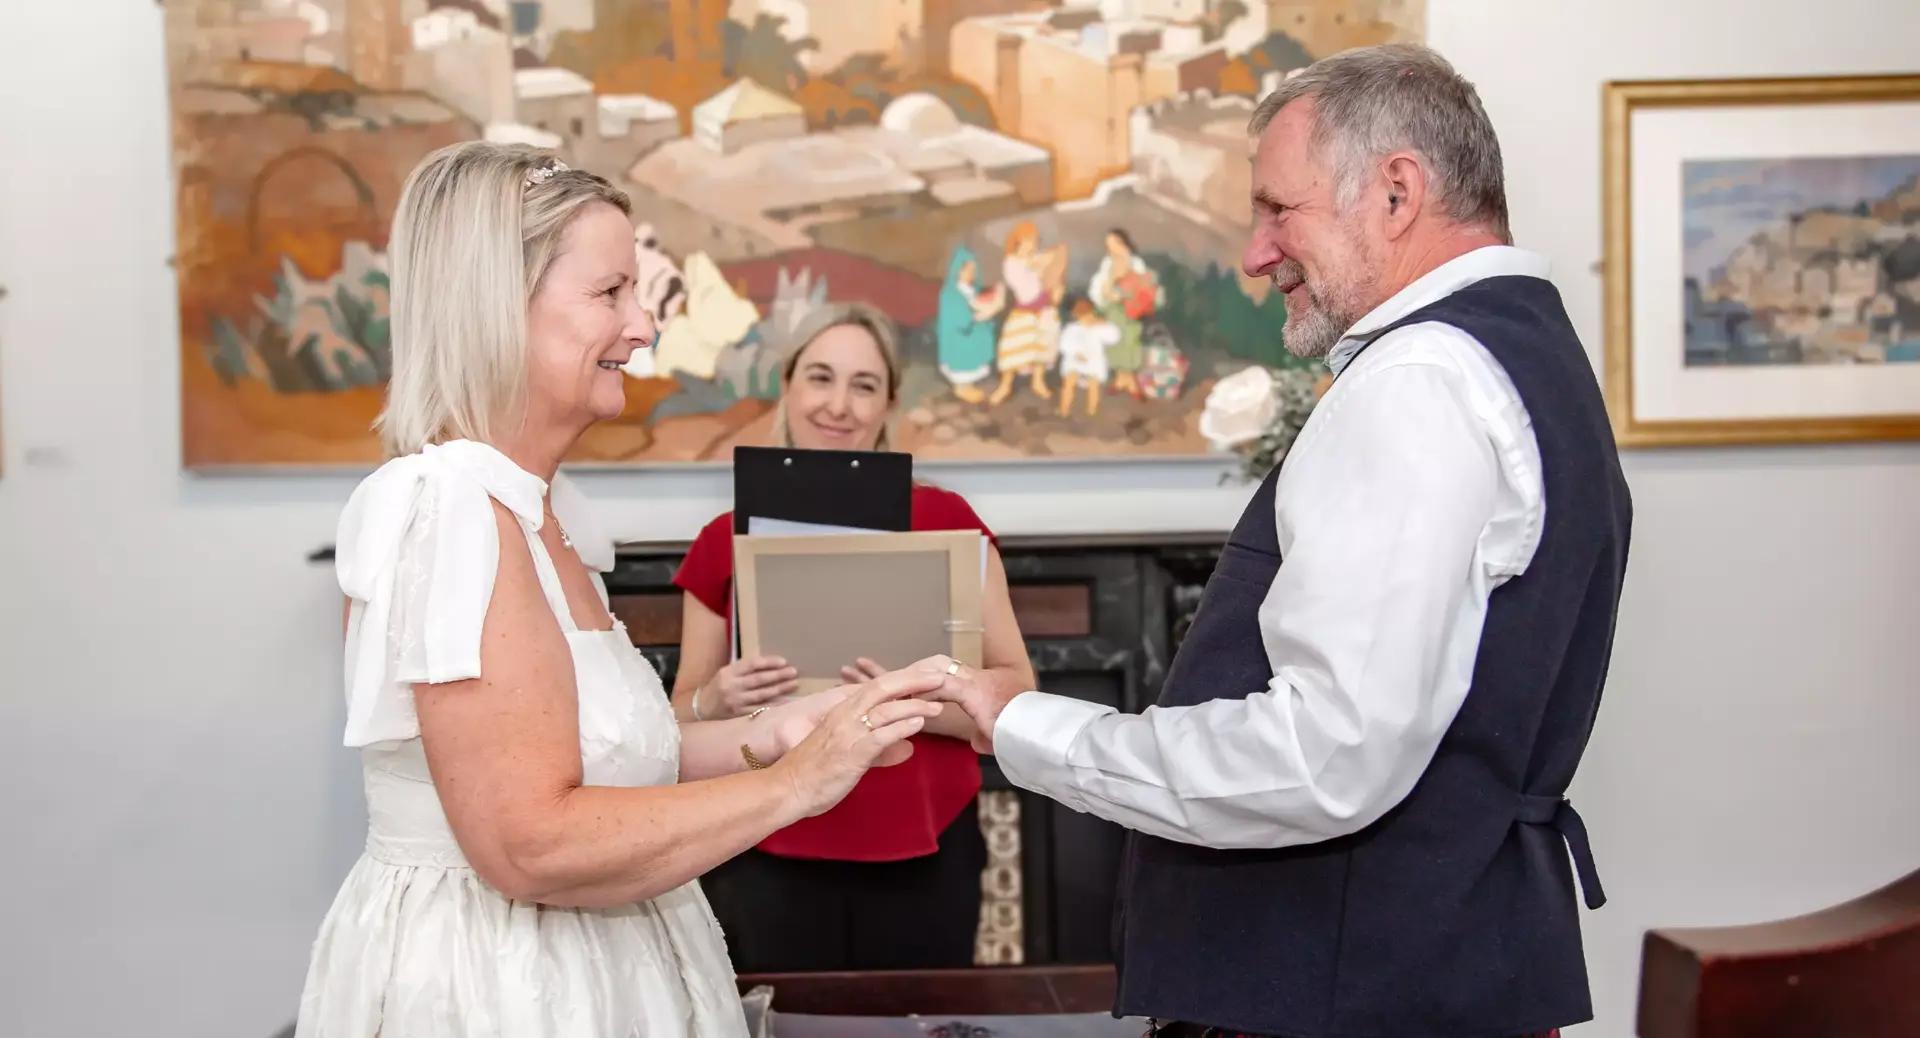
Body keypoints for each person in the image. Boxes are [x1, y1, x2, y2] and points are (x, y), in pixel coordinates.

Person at [922, 43, 1631, 1038]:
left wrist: (1026, 727)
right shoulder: (1524, 353)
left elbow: (1322, 754)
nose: (1257, 253)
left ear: (1395, 192)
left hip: (1349, 998)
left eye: (1276, 209)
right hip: (1444, 970)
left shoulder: (1418, 379)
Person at [297, 142, 944, 1037]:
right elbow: (531, 845)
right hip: (497, 988)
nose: (642, 328)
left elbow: (615, 755)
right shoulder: (447, 511)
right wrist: (797, 782)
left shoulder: (540, 514)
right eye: (610, 295)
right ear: (499, 304)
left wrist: (788, 726)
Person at [669, 302, 1037, 972]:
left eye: (863, 385)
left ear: (887, 403)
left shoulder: (948, 520)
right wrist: (719, 695)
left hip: (925, 850)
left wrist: (908, 696)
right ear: (787, 387)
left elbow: (1017, 688)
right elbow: (674, 720)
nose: (838, 405)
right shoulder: (722, 539)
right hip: (761, 842)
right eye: (820, 377)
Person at [1087, 229, 1160, 398]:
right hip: (1113, 309)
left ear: (1123, 243)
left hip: (1131, 308)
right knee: (1115, 342)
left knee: (1130, 341)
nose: (1112, 248)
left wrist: (1125, 292)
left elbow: (1143, 286)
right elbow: (1102, 285)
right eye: (1109, 245)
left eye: (1114, 243)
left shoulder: (1135, 262)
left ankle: (1131, 381)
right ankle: (1121, 379)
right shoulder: (1108, 263)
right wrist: (1110, 287)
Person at [937, 246, 1005, 405]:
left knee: (974, 359)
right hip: (961, 337)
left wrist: (991, 302)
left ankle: (968, 384)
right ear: (957, 270)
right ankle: (962, 388)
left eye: (973, 269)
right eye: (966, 269)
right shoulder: (950, 294)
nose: (970, 273)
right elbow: (963, 319)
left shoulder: (972, 289)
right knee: (963, 364)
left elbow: (978, 303)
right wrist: (992, 308)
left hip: (973, 334)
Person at [1056, 295, 1120, 417]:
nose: (1086, 318)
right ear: (1075, 315)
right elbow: (1065, 344)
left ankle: (1092, 410)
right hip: (1075, 360)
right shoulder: (1073, 328)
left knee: (1093, 384)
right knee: (1069, 382)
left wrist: (1103, 324)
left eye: (1088, 314)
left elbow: (1114, 338)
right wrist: (1076, 352)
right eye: (1082, 315)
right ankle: (1064, 408)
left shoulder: (1100, 327)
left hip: (1093, 360)